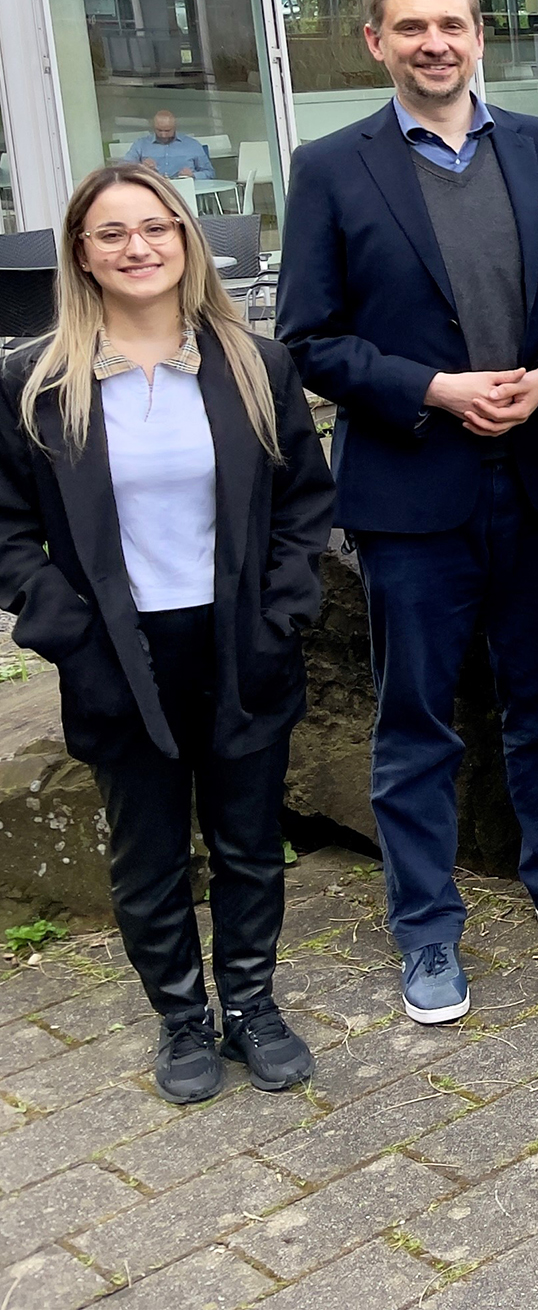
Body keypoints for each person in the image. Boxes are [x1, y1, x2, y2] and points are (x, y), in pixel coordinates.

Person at [278, 0, 538, 1028]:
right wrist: (434, 390)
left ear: (480, 36)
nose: (434, 43)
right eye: (411, 27)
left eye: (451, 24)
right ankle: (425, 926)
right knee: (416, 719)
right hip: (413, 492)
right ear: (377, 43)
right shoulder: (330, 168)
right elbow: (308, 338)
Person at [0, 165, 334, 1103]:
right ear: (81, 253)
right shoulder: (36, 381)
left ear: (185, 241)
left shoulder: (253, 364)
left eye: (156, 227)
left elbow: (304, 504)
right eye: (111, 233)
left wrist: (281, 613)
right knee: (148, 853)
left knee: (247, 842)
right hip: (113, 652)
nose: (137, 247)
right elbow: (7, 529)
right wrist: (67, 630)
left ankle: (252, 1004)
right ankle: (182, 1019)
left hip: (240, 643)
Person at [124, 112, 214, 182]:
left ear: (175, 127)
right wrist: (141, 168)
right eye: (159, 130)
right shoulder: (141, 144)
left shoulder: (192, 145)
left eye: (167, 131)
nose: (163, 135)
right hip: (153, 191)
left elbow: (210, 173)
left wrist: (193, 175)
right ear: (153, 127)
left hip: (185, 190)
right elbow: (122, 169)